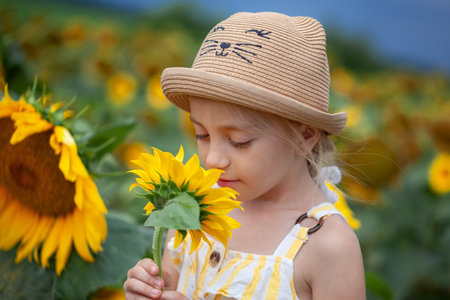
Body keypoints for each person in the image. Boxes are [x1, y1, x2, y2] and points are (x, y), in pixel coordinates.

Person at [124, 11, 365, 300]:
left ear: (305, 136)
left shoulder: (326, 246)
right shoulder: (191, 208)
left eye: (239, 141)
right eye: (201, 134)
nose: (213, 159)